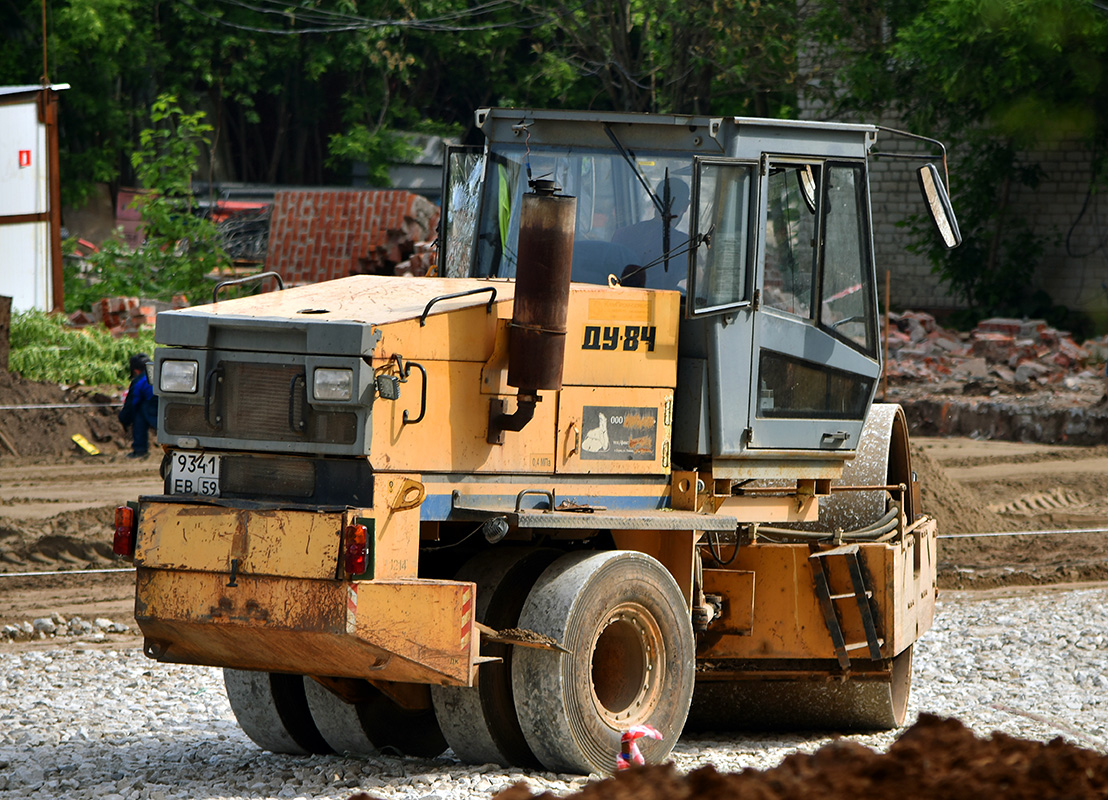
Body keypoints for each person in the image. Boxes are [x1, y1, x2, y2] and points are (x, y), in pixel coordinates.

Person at [612, 177, 691, 290]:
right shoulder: (685, 244)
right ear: (686, 206)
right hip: (663, 305)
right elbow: (700, 287)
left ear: (654, 201)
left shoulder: (622, 234)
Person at [119, 353, 157, 458]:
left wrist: (124, 419)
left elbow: (132, 404)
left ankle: (140, 450)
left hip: (154, 404)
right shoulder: (160, 372)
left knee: (139, 414)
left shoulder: (139, 381)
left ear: (135, 371)